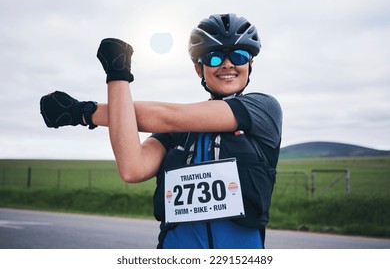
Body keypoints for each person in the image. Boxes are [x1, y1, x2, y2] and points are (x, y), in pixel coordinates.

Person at [40, 13, 283, 249]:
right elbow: (132, 168)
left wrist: (80, 112)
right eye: (215, 58)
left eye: (239, 56)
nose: (228, 64)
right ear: (199, 69)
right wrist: (117, 75)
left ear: (251, 64)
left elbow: (165, 116)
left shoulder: (264, 108)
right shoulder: (179, 132)